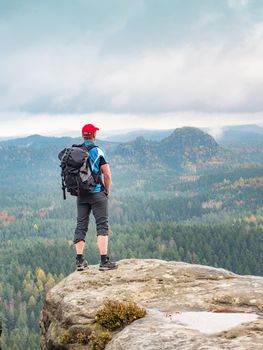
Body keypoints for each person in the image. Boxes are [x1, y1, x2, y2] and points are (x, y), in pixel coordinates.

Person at [74, 123, 117, 271]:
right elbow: (107, 174)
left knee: (81, 225)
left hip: (81, 194)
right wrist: (106, 191)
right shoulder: (98, 151)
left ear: (83, 135)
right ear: (94, 135)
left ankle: (79, 261)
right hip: (97, 192)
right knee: (102, 225)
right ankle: (104, 261)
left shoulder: (76, 151)